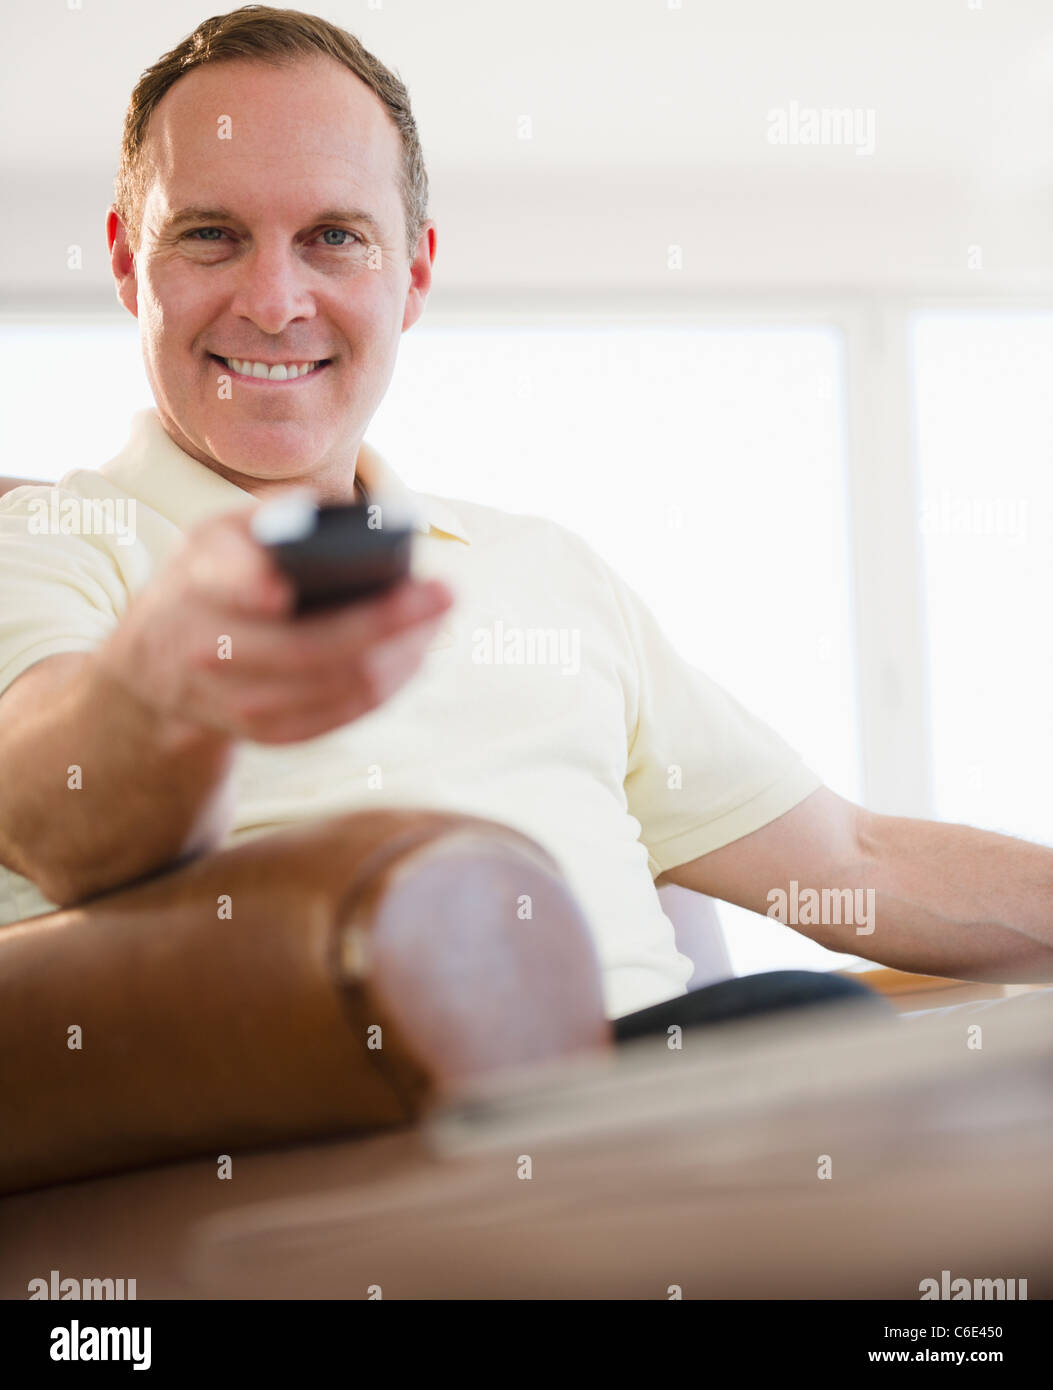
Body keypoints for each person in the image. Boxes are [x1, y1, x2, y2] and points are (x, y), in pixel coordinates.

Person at [0, 8, 1049, 1048]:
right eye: (211, 236)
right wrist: (160, 688)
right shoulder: (51, 543)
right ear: (131, 266)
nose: (275, 302)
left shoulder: (545, 573)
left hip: (652, 1107)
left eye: (334, 239)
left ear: (411, 275)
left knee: (860, 1049)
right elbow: (50, 808)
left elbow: (851, 862)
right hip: (318, 1140)